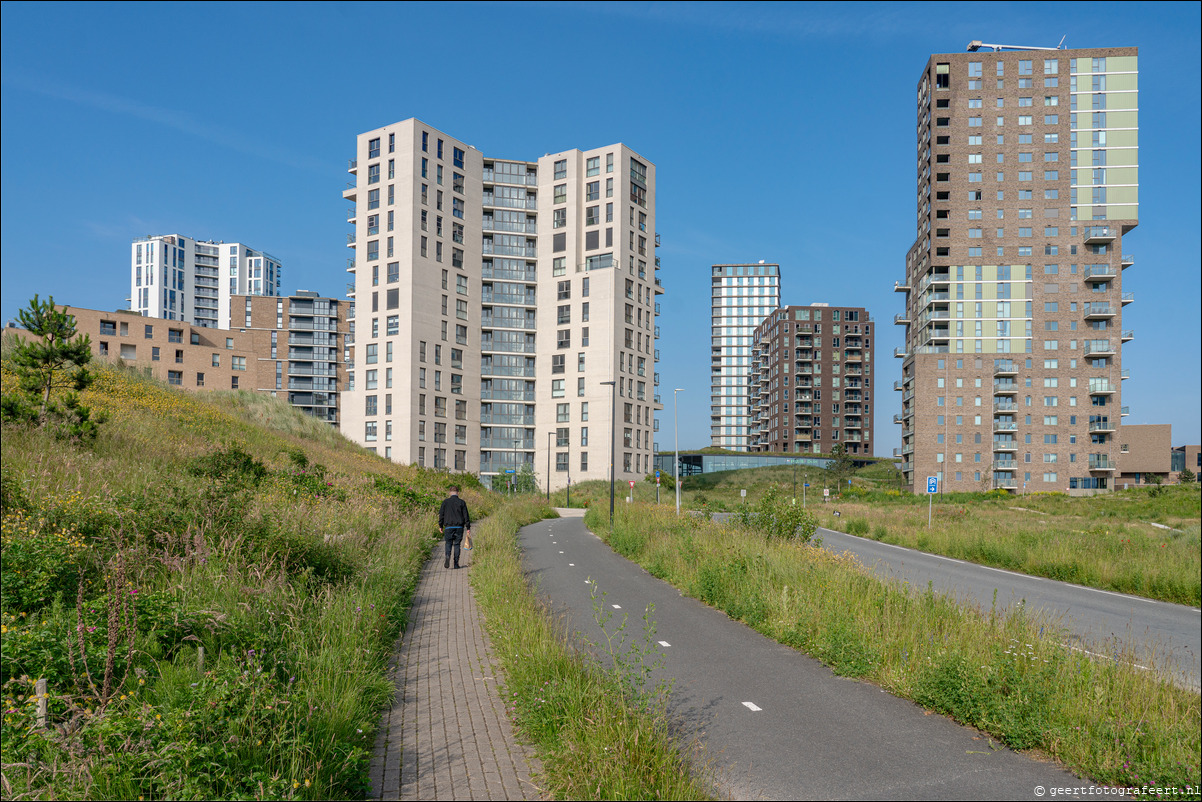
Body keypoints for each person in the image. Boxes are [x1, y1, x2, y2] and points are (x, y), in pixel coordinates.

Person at [438, 485, 471, 569]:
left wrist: (440, 525)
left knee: (448, 543)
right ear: (458, 493)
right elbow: (466, 515)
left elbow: (441, 515)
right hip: (459, 527)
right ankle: (456, 564)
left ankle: (447, 556)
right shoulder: (462, 502)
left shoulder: (445, 502)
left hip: (448, 527)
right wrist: (468, 527)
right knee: (457, 545)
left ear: (449, 492)